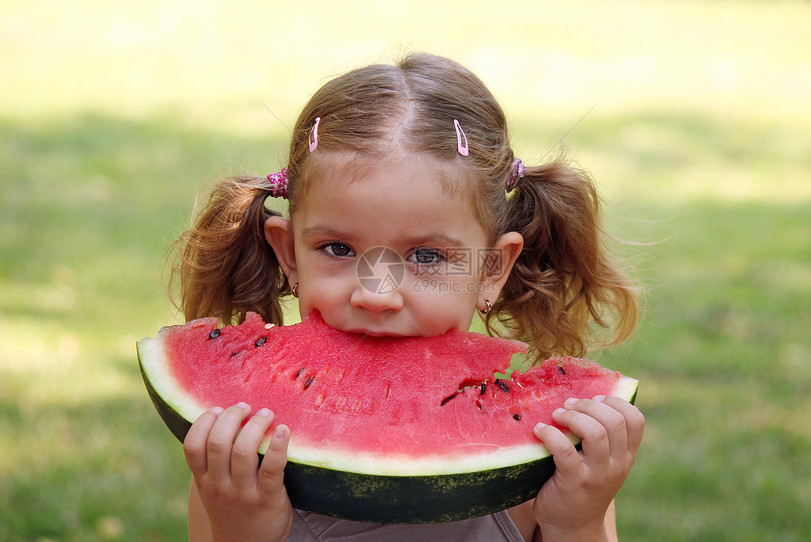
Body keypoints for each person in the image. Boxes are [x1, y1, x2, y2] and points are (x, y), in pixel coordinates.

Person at [171, 53, 645, 542]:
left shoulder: (549, 459)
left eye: (425, 257)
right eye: (338, 248)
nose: (378, 294)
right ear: (289, 255)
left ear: (491, 269)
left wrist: (577, 522)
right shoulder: (238, 461)